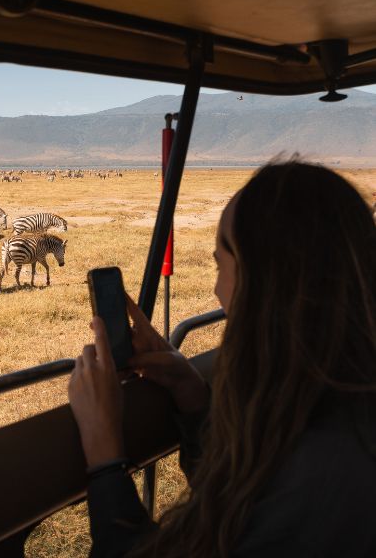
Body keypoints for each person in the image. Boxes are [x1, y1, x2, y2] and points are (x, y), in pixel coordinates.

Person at [68, 161, 376, 557]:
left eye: (221, 265)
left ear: (260, 281)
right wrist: (192, 394)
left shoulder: (319, 474)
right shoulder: (337, 411)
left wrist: (105, 459)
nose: (217, 290)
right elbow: (248, 500)